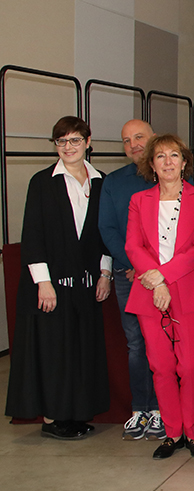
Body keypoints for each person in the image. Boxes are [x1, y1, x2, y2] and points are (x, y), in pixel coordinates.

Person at [5, 116, 112, 440]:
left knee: (79, 353)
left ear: (88, 142)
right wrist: (44, 282)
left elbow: (105, 235)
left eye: (75, 140)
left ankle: (75, 415)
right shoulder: (43, 182)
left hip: (86, 285)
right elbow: (33, 235)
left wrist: (105, 273)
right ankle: (53, 419)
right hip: (51, 286)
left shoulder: (100, 182)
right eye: (61, 141)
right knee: (53, 354)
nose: (68, 147)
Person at [124, 134, 194, 459]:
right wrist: (157, 281)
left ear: (184, 162)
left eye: (174, 155)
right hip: (150, 291)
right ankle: (172, 433)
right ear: (151, 165)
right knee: (161, 365)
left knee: (191, 365)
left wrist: (164, 275)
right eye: (161, 156)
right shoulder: (139, 201)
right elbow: (133, 246)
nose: (168, 162)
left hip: (190, 288)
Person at [98, 118, 160, 439]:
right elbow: (107, 229)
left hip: (166, 277)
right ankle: (141, 408)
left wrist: (154, 269)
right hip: (128, 275)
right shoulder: (113, 182)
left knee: (162, 342)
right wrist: (132, 263)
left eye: (139, 137)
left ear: (153, 139)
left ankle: (162, 410)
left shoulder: (171, 175)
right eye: (126, 140)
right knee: (136, 343)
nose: (133, 144)